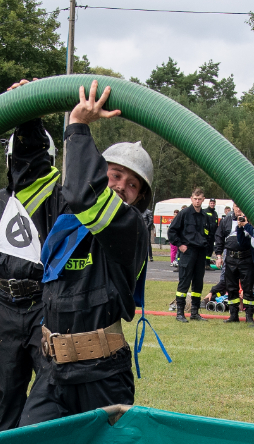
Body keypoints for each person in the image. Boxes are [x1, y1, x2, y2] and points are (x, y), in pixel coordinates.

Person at [18, 80, 153, 425]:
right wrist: (28, 114)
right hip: (52, 372)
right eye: (116, 174)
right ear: (98, 168)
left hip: (103, 375)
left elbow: (84, 195)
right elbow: (28, 176)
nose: (122, 186)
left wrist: (77, 126)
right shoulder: (60, 217)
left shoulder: (130, 227)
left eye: (133, 184)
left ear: (139, 198)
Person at [0, 112, 64, 431]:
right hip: (5, 307)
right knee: (7, 385)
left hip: (44, 306)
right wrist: (0, 265)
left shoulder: (59, 199)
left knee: (50, 385)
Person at [167, 186, 215, 321]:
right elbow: (172, 231)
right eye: (195, 199)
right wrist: (180, 245)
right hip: (188, 252)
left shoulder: (206, 216)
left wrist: (209, 252)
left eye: (200, 199)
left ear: (203, 199)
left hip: (201, 253)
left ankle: (194, 312)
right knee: (184, 282)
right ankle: (180, 313)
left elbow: (210, 235)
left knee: (198, 283)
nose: (197, 201)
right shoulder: (184, 213)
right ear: (191, 199)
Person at [213, 205, 254, 323]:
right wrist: (218, 256)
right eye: (237, 206)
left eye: (242, 207)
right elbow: (219, 237)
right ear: (233, 206)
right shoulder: (226, 220)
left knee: (248, 287)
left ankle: (249, 315)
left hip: (246, 258)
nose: (239, 209)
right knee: (231, 287)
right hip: (231, 258)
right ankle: (233, 315)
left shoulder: (250, 220)